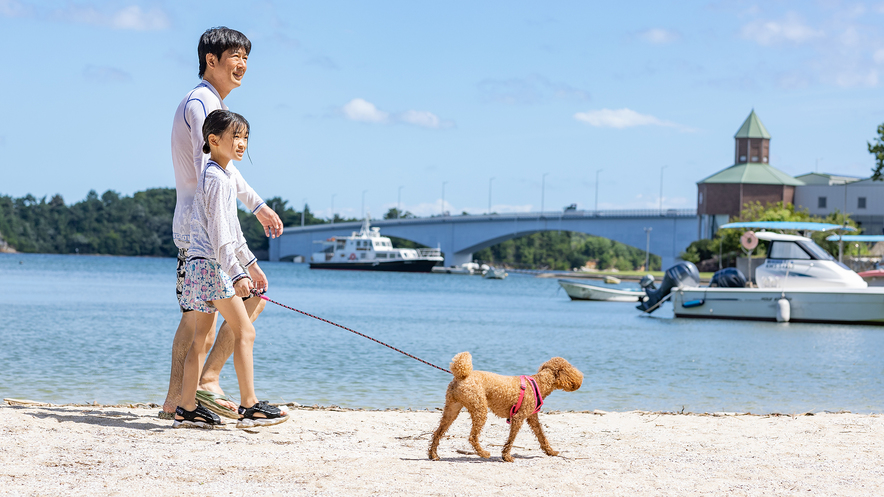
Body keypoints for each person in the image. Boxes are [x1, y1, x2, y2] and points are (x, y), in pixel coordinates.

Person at [162, 27, 283, 419]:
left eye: (246, 57)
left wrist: (257, 206)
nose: (243, 64)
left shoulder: (212, 105)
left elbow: (223, 171)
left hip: (208, 227)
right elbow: (212, 174)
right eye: (235, 56)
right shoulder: (201, 104)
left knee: (212, 316)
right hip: (200, 229)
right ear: (210, 60)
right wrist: (240, 255)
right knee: (200, 323)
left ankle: (190, 395)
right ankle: (191, 394)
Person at [174, 109, 288, 428]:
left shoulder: (221, 175)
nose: (242, 144)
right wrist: (237, 274)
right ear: (213, 140)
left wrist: (251, 266)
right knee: (245, 331)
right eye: (235, 137)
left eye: (246, 138)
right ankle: (250, 406)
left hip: (198, 267)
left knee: (201, 339)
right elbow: (221, 234)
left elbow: (234, 232)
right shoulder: (216, 178)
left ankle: (186, 408)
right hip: (212, 267)